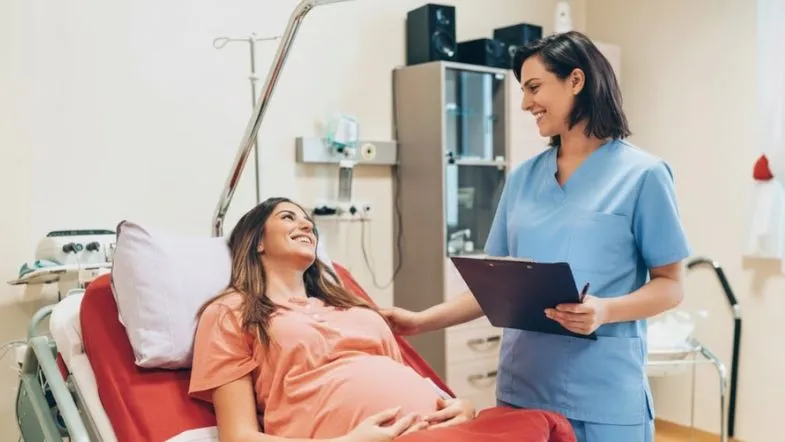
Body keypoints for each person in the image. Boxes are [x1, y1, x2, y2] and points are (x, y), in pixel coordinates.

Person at [383, 31, 691, 442]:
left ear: (576, 81)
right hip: (523, 392)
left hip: (604, 396)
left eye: (533, 88)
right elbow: (493, 286)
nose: (526, 103)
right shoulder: (524, 178)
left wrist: (604, 310)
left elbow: (670, 286)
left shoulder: (643, 176)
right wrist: (420, 322)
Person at [187, 197, 476, 442]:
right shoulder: (230, 311)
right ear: (257, 241)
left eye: (308, 221)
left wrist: (460, 406)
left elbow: (397, 375)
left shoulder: (352, 308)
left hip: (442, 429)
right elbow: (238, 437)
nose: (306, 225)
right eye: (288, 217)